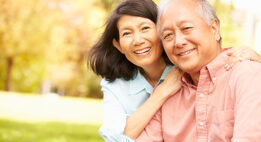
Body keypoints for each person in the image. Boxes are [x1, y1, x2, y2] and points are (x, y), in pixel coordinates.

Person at [136, 0, 261, 141]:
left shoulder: (246, 75)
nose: (178, 41)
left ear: (214, 29)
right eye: (168, 35)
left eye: (186, 28)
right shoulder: (167, 91)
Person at [88, 0, 182, 141]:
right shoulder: (115, 85)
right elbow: (114, 137)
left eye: (145, 28)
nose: (137, 40)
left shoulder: (185, 68)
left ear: (162, 31)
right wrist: (162, 93)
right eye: (127, 33)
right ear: (118, 45)